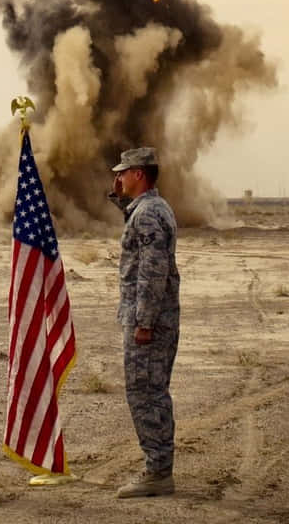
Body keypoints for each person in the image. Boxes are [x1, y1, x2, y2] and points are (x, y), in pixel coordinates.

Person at [111, 146, 179, 498]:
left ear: (139, 174)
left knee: (146, 394)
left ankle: (157, 472)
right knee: (152, 391)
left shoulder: (148, 214)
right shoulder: (151, 208)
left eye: (123, 173)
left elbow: (153, 273)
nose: (118, 178)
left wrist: (144, 322)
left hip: (149, 322)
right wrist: (119, 195)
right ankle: (159, 466)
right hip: (153, 318)